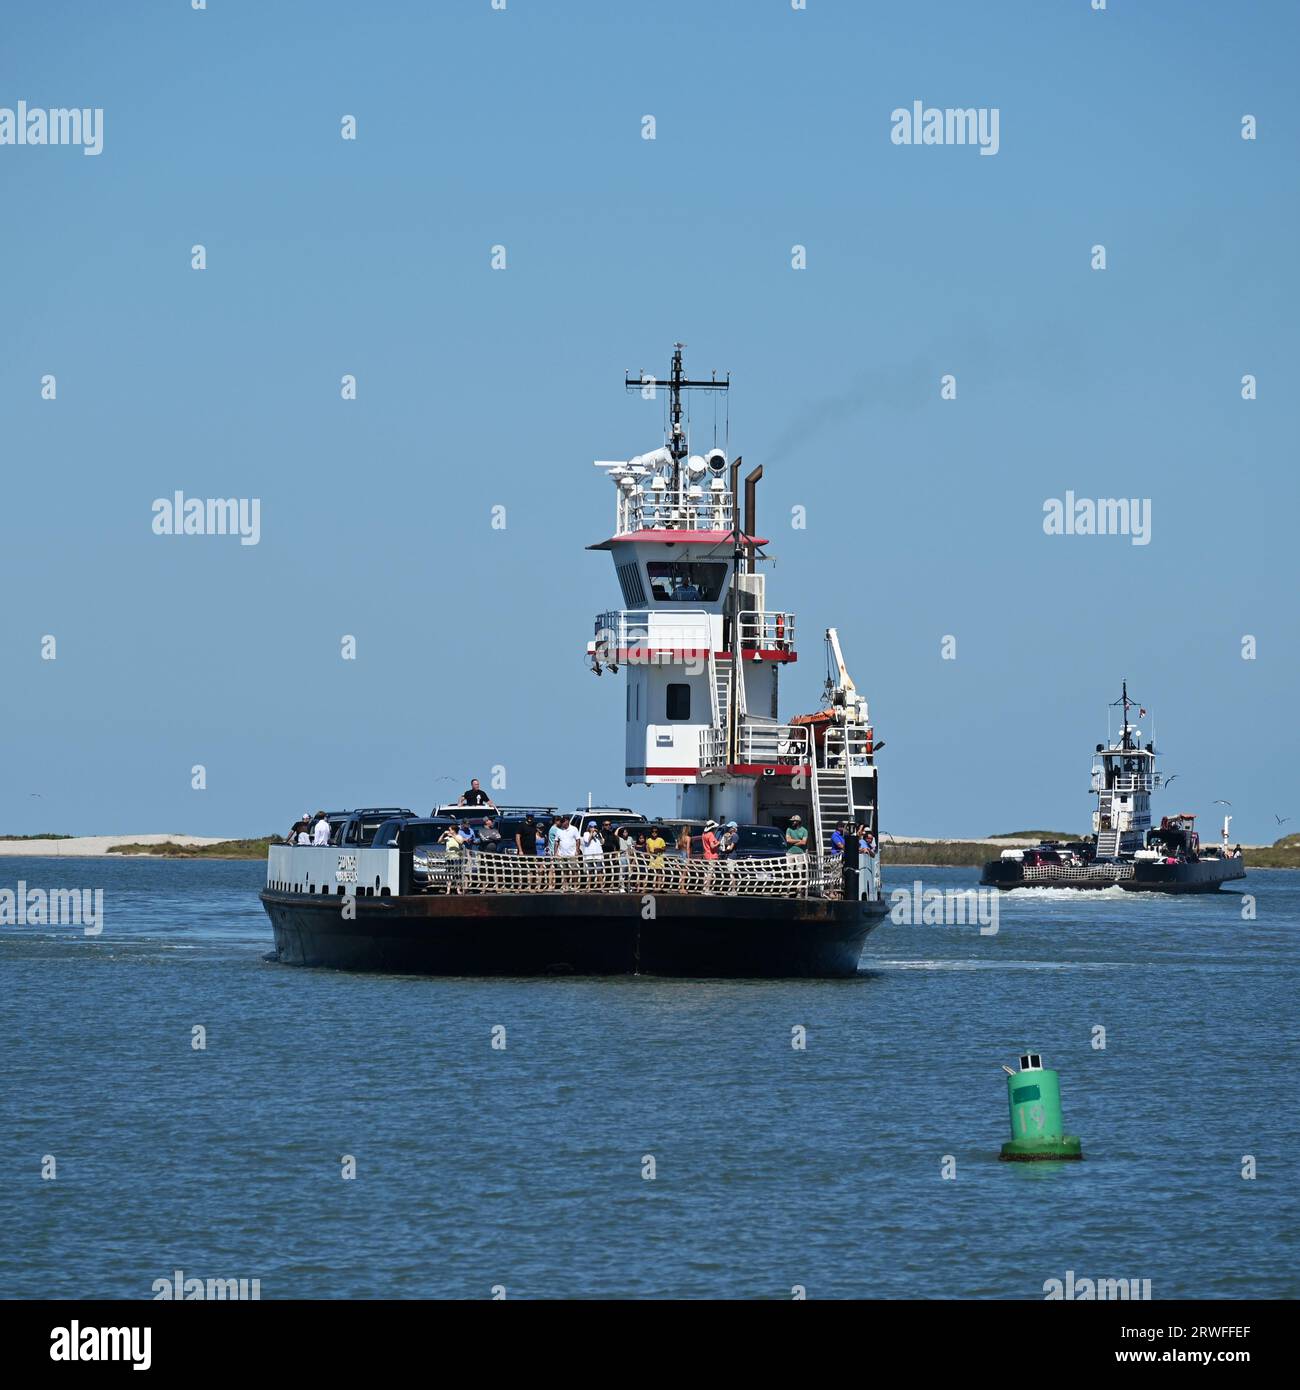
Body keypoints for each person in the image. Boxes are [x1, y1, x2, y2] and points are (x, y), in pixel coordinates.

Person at [645, 825, 667, 889]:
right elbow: (647, 849)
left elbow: (664, 849)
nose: (654, 833)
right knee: (652, 873)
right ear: (651, 832)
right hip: (652, 858)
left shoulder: (660, 840)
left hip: (659, 858)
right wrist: (649, 853)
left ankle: (658, 887)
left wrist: (659, 849)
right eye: (653, 832)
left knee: (659, 873)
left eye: (656, 832)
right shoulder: (648, 840)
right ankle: (653, 886)